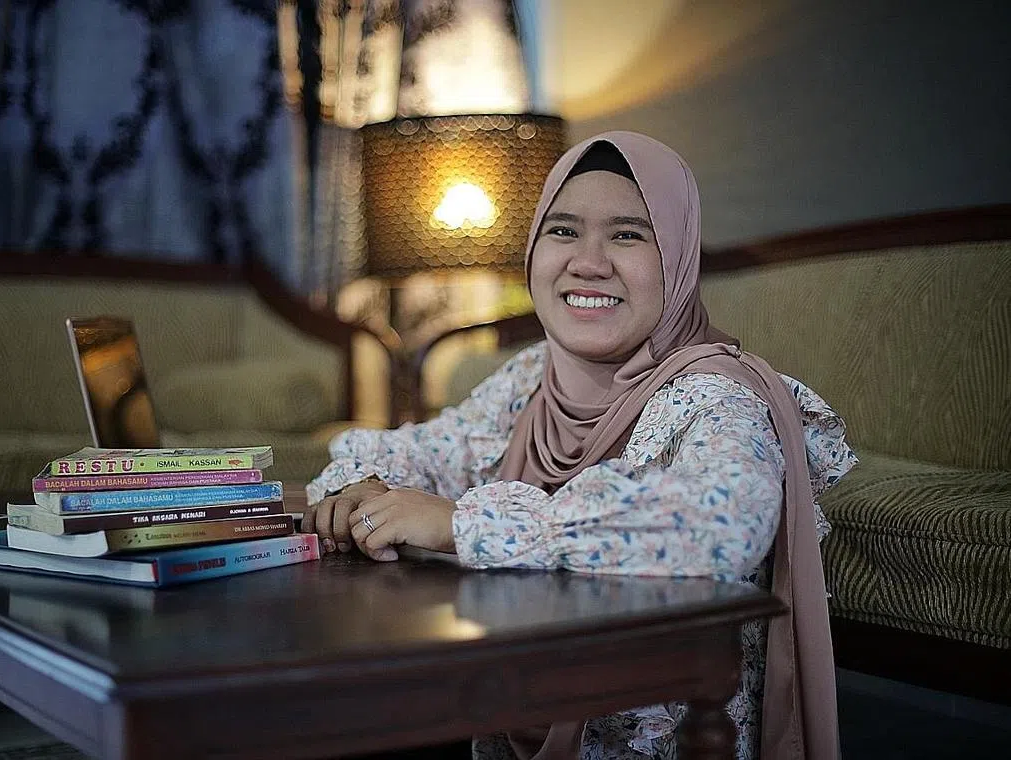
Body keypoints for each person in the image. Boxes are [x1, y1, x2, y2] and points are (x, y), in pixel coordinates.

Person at [304, 131, 857, 760]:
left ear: (678, 260)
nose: (588, 263)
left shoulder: (715, 395)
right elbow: (432, 449)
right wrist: (364, 488)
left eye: (628, 235)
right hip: (519, 710)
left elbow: (725, 520)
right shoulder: (533, 378)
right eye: (563, 230)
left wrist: (463, 525)